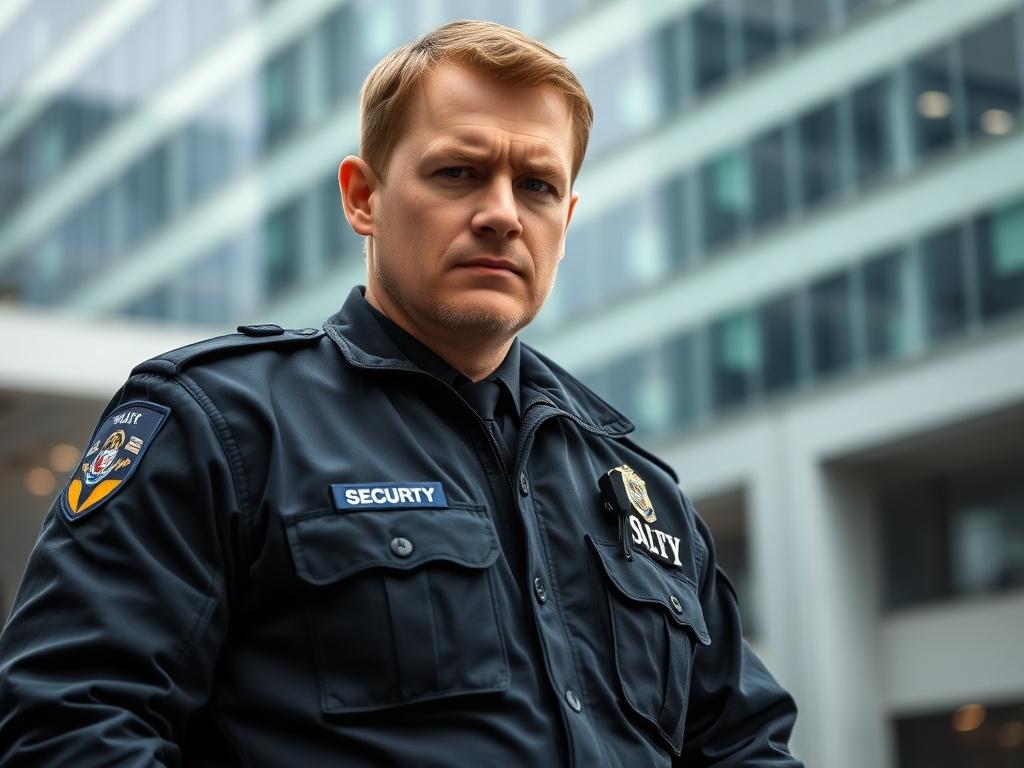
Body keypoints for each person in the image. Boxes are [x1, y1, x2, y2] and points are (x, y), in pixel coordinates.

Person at [0, 20, 803, 767]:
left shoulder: (638, 491)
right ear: (363, 197)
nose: (500, 214)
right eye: (459, 172)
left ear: (569, 215)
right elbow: (70, 722)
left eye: (537, 186)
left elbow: (745, 746)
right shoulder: (222, 426)